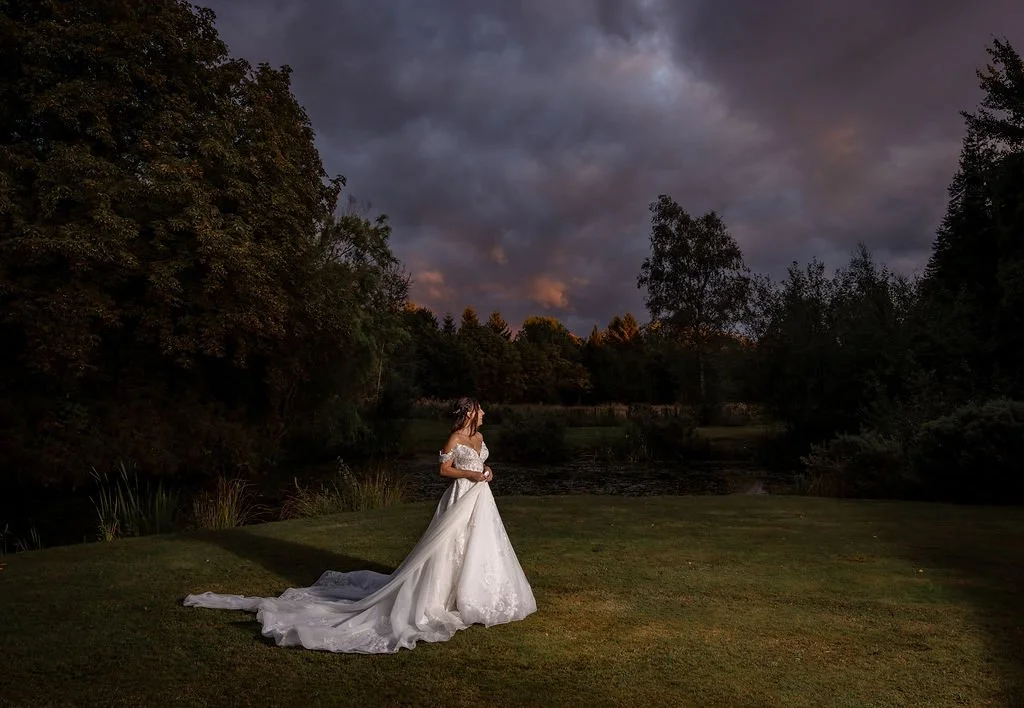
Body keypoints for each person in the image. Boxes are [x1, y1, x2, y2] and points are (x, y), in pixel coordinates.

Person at [183, 396, 537, 653]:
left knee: (481, 545)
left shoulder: (478, 438)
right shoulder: (456, 438)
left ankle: (476, 593)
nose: (485, 412)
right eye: (481, 408)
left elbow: (483, 463)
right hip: (461, 495)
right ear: (469, 413)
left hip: (481, 498)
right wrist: (472, 474)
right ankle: (440, 595)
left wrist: (487, 472)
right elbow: (444, 470)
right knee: (448, 547)